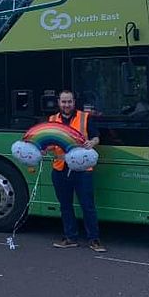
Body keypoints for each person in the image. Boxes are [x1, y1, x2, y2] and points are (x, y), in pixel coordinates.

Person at [48, 90, 107, 252]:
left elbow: (96, 137)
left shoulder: (85, 117)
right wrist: (43, 149)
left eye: (69, 102)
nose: (66, 105)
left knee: (88, 206)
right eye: (63, 102)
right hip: (60, 169)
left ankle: (94, 240)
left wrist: (92, 143)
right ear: (58, 102)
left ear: (74, 102)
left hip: (82, 169)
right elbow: (50, 142)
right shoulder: (52, 120)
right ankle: (70, 237)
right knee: (65, 205)